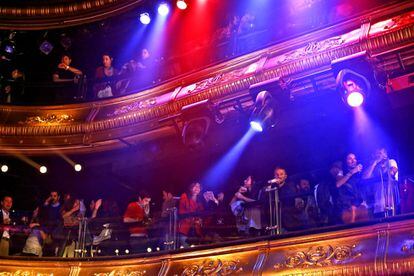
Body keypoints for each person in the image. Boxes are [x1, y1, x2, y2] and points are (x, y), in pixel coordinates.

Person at [362, 148, 399, 218]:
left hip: (390, 199)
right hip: (378, 203)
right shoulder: (376, 167)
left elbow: (392, 172)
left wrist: (384, 167)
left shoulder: (391, 161)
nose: (379, 155)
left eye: (381, 153)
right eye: (377, 153)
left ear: (385, 154)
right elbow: (365, 177)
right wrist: (374, 163)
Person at [336, 153, 368, 224]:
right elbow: (338, 184)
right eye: (350, 159)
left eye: (354, 158)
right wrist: (352, 172)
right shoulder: (342, 172)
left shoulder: (360, 171)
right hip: (348, 208)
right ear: (345, 161)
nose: (353, 161)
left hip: (361, 206)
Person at [262, 167, 296, 232]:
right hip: (273, 220)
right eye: (277, 174)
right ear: (274, 176)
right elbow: (264, 199)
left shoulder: (290, 186)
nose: (279, 176)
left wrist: (278, 187)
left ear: (285, 176)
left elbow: (288, 197)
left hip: (287, 221)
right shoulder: (270, 187)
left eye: (281, 174)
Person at [178, 182, 204, 247]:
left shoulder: (200, 199)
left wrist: (200, 219)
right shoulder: (185, 196)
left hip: (197, 231)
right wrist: (194, 220)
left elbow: (202, 213)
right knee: (186, 250)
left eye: (199, 187)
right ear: (191, 188)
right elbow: (181, 212)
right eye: (195, 186)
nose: (197, 188)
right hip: (185, 229)